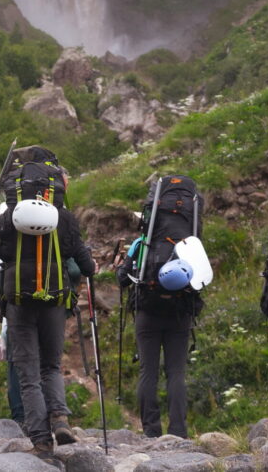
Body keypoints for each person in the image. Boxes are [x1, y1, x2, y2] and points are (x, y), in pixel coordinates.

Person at [0, 184, 96, 467]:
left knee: (28, 373)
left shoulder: (6, 220)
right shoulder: (65, 219)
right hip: (55, 303)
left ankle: (42, 443)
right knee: (51, 366)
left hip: (18, 305)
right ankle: (60, 419)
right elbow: (87, 268)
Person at [116, 175, 205, 439]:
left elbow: (122, 279)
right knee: (177, 371)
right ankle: (178, 430)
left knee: (148, 370)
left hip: (148, 309)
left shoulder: (142, 243)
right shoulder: (192, 244)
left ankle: (151, 431)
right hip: (180, 312)